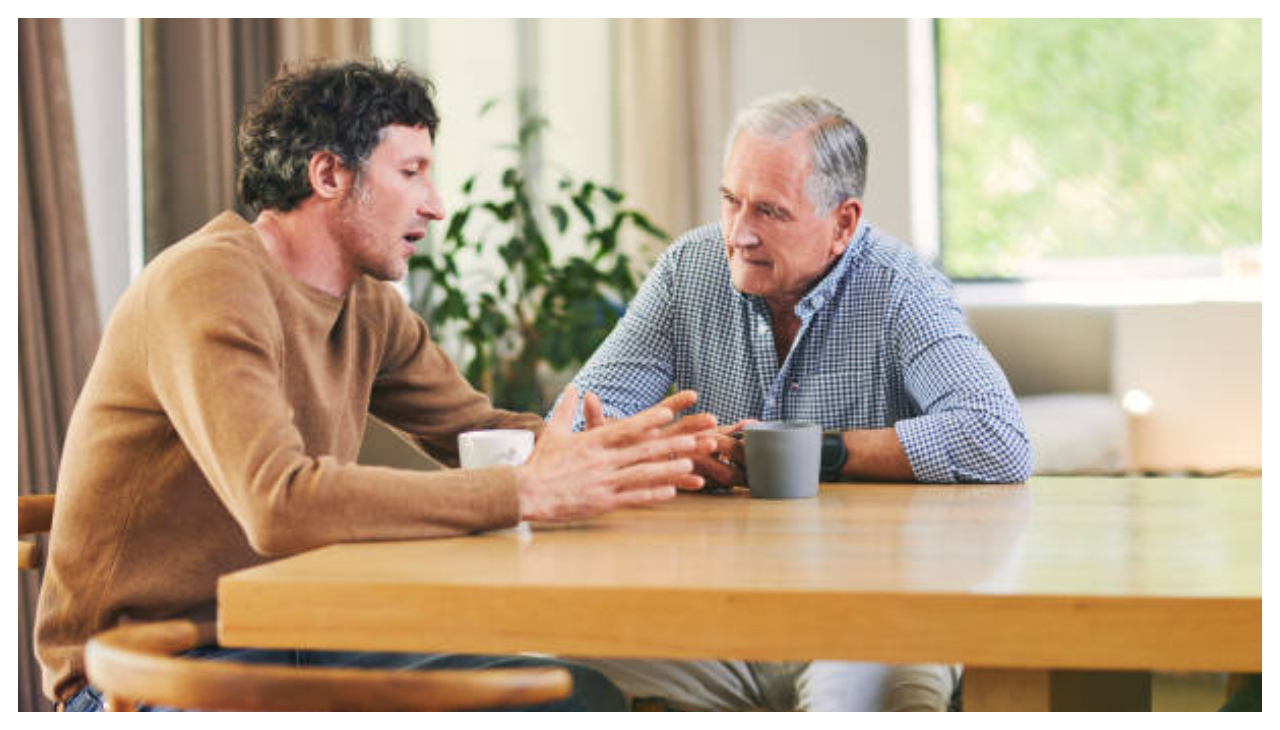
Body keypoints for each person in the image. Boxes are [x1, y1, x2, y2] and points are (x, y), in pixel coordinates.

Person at [36, 60, 718, 712]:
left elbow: (474, 434)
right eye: (412, 173)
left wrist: (625, 452)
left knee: (577, 695)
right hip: (147, 672)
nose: (437, 204)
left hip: (291, 638)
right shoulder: (208, 285)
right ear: (330, 174)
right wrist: (527, 490)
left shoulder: (366, 307)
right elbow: (280, 504)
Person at [560, 92, 1033, 711]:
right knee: (554, 675)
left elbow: (998, 437)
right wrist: (661, 450)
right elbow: (575, 418)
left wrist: (814, 454)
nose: (738, 233)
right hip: (714, 612)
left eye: (769, 212)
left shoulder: (900, 286)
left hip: (873, 609)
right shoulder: (688, 270)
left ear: (843, 223)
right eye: (730, 200)